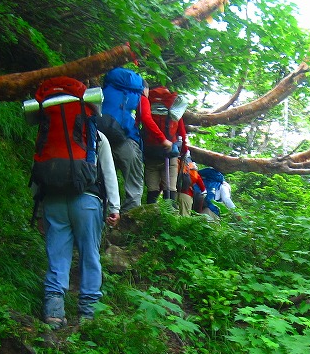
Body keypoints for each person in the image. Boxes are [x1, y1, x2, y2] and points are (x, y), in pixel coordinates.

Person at [27, 76, 120, 328]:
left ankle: (54, 312)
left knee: (57, 257)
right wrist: (114, 207)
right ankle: (88, 313)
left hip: (53, 201)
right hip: (87, 202)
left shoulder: (46, 136)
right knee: (90, 255)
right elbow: (109, 174)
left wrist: (38, 212)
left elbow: (38, 171)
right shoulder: (97, 137)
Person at [99, 68, 168, 212]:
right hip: (127, 141)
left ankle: (102, 217)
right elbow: (147, 119)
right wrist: (163, 140)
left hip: (102, 139)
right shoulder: (139, 97)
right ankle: (127, 224)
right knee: (134, 185)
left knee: (103, 180)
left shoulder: (106, 91)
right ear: (144, 89)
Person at [142, 86, 190, 211]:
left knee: (152, 190)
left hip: (150, 153)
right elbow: (182, 132)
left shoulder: (148, 103)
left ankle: (148, 218)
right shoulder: (173, 108)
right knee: (170, 189)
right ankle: (170, 218)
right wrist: (184, 149)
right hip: (169, 153)